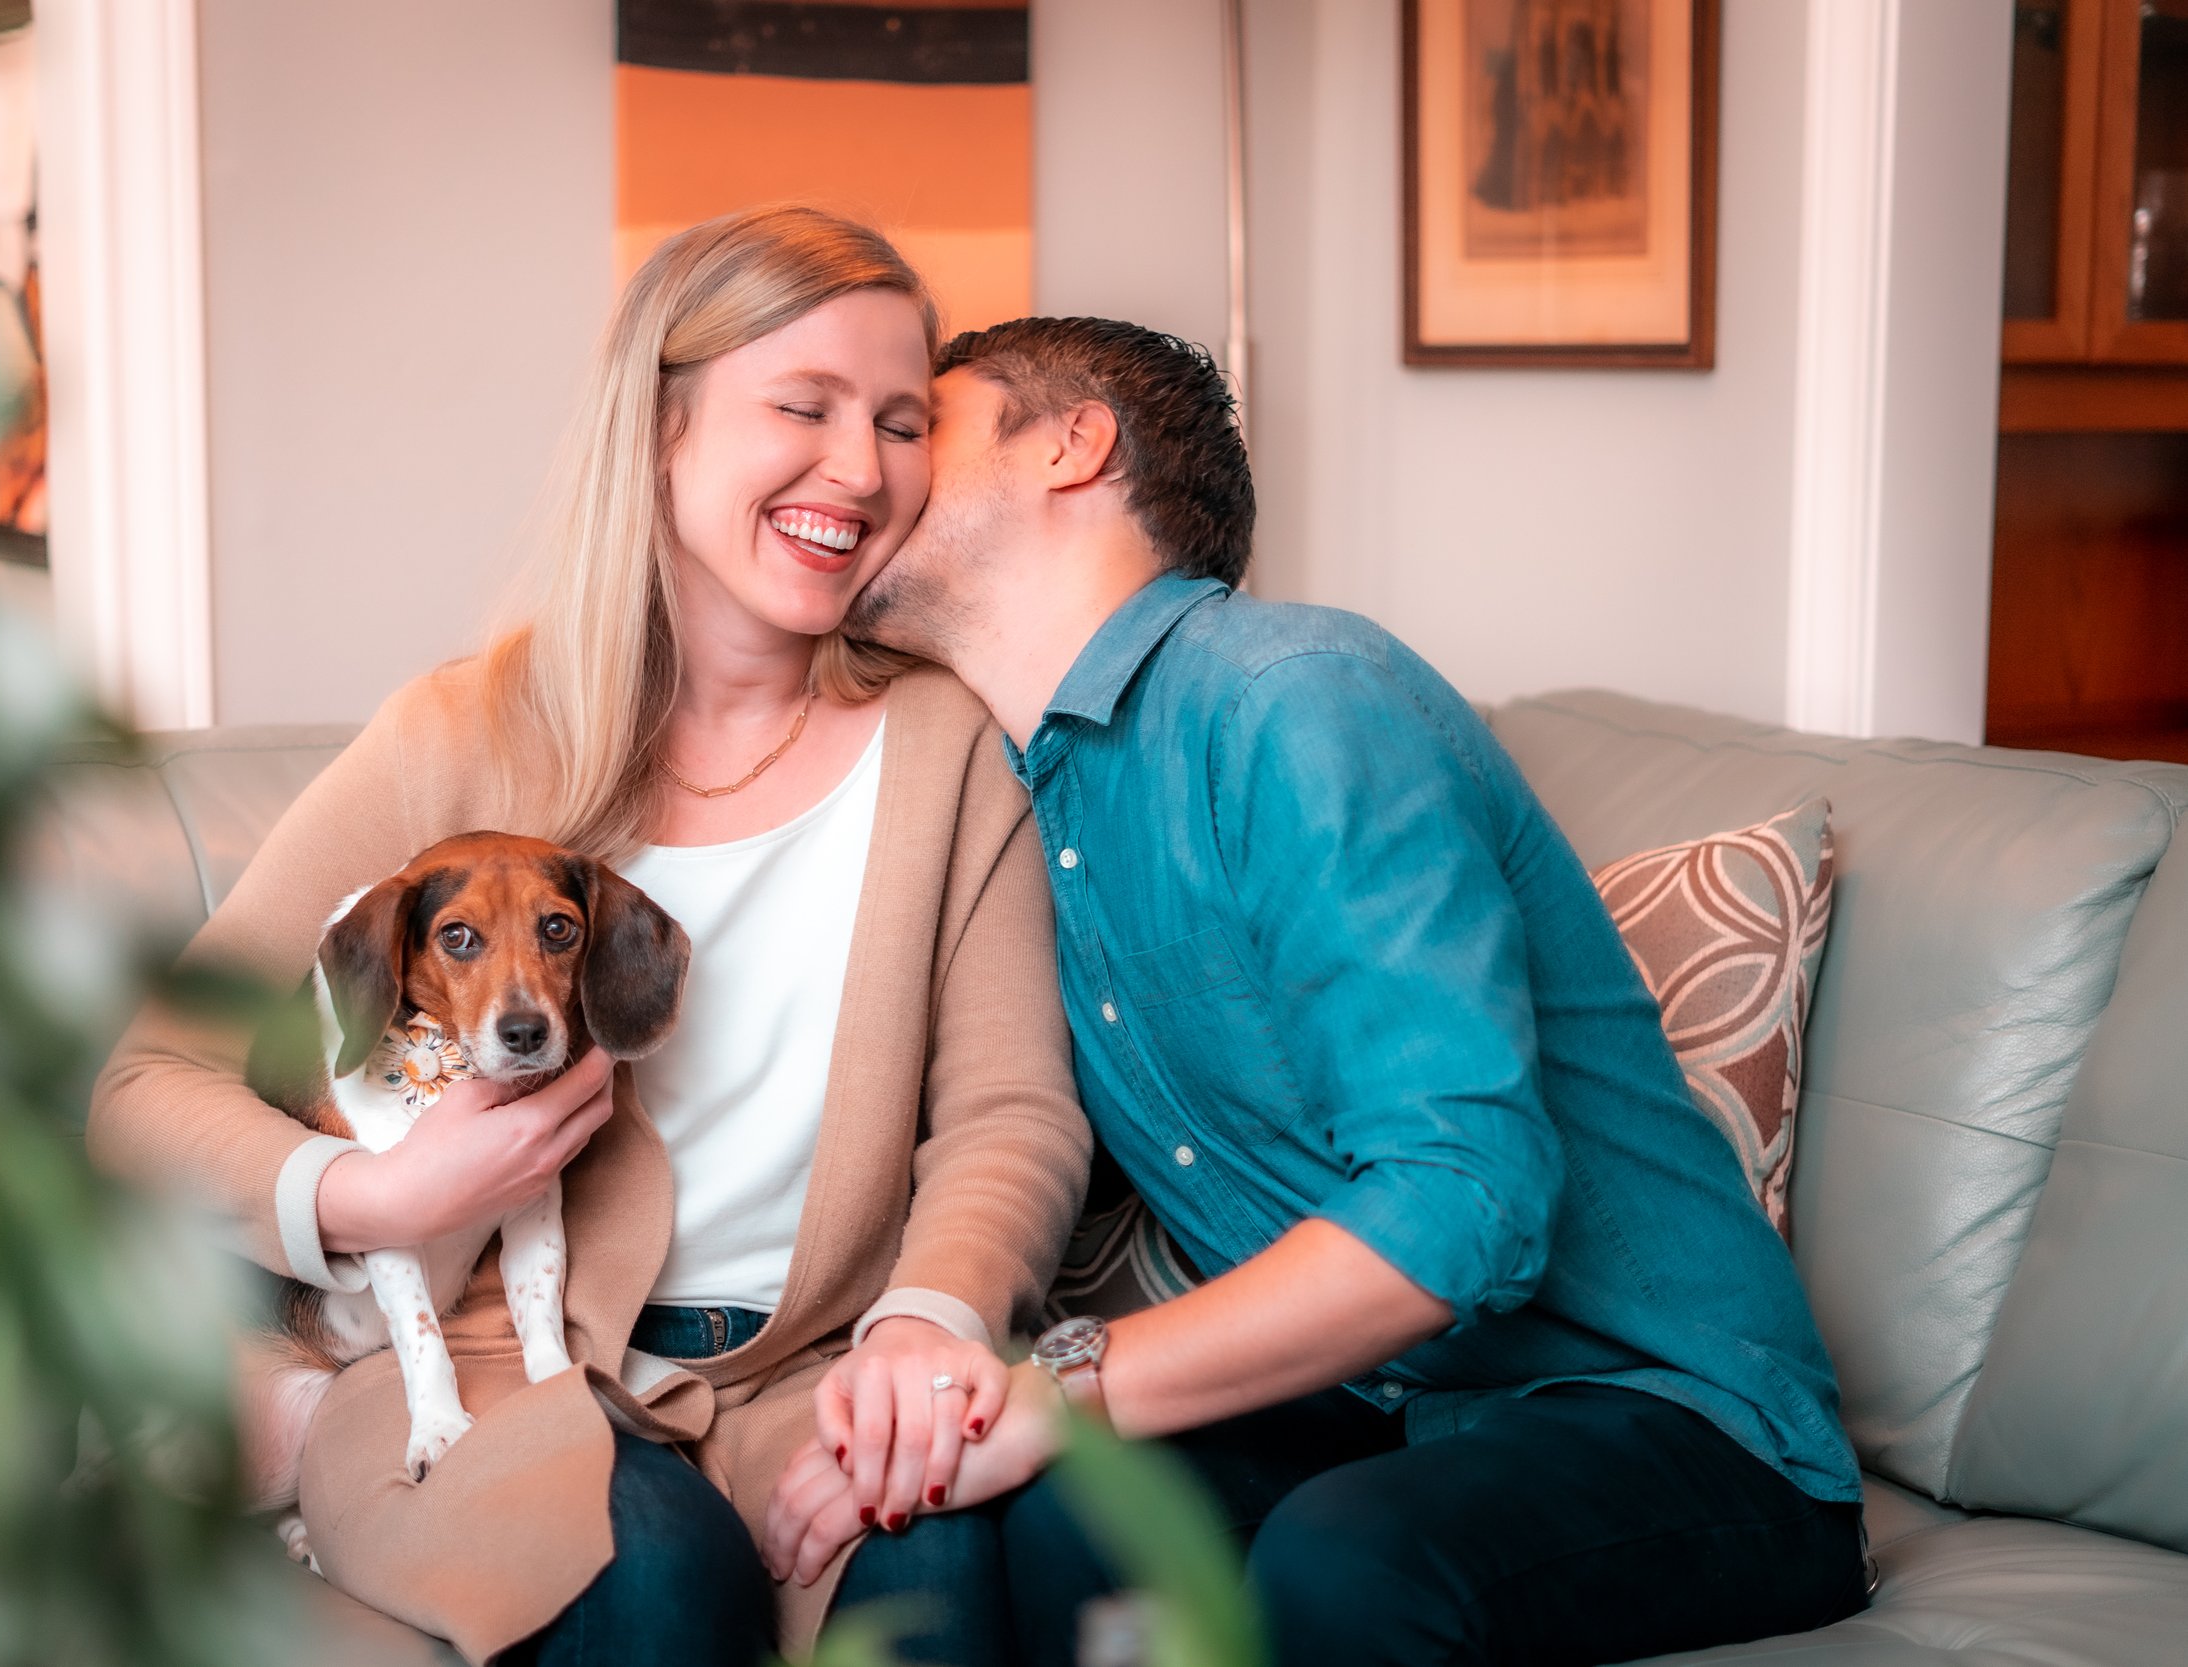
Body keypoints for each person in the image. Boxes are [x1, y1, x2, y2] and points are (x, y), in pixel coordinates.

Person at [788, 316, 1871, 1666]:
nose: (870, 470)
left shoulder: (1294, 698)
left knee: (1340, 1556)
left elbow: (1462, 1199)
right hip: (1381, 1402)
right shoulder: (1014, 798)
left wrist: (1062, 1386)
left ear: (1073, 443)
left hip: (1677, 1421)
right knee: (1023, 1515)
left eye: (919, 424)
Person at [87, 210, 1091, 1667]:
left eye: (898, 420)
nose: (862, 470)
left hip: (817, 1371)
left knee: (953, 1592)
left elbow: (1010, 1111)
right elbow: (146, 1082)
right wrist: (372, 1200)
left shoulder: (948, 750)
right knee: (661, 1597)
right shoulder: (458, 735)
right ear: (663, 432)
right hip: (502, 1366)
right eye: (801, 409)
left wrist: (925, 1326)